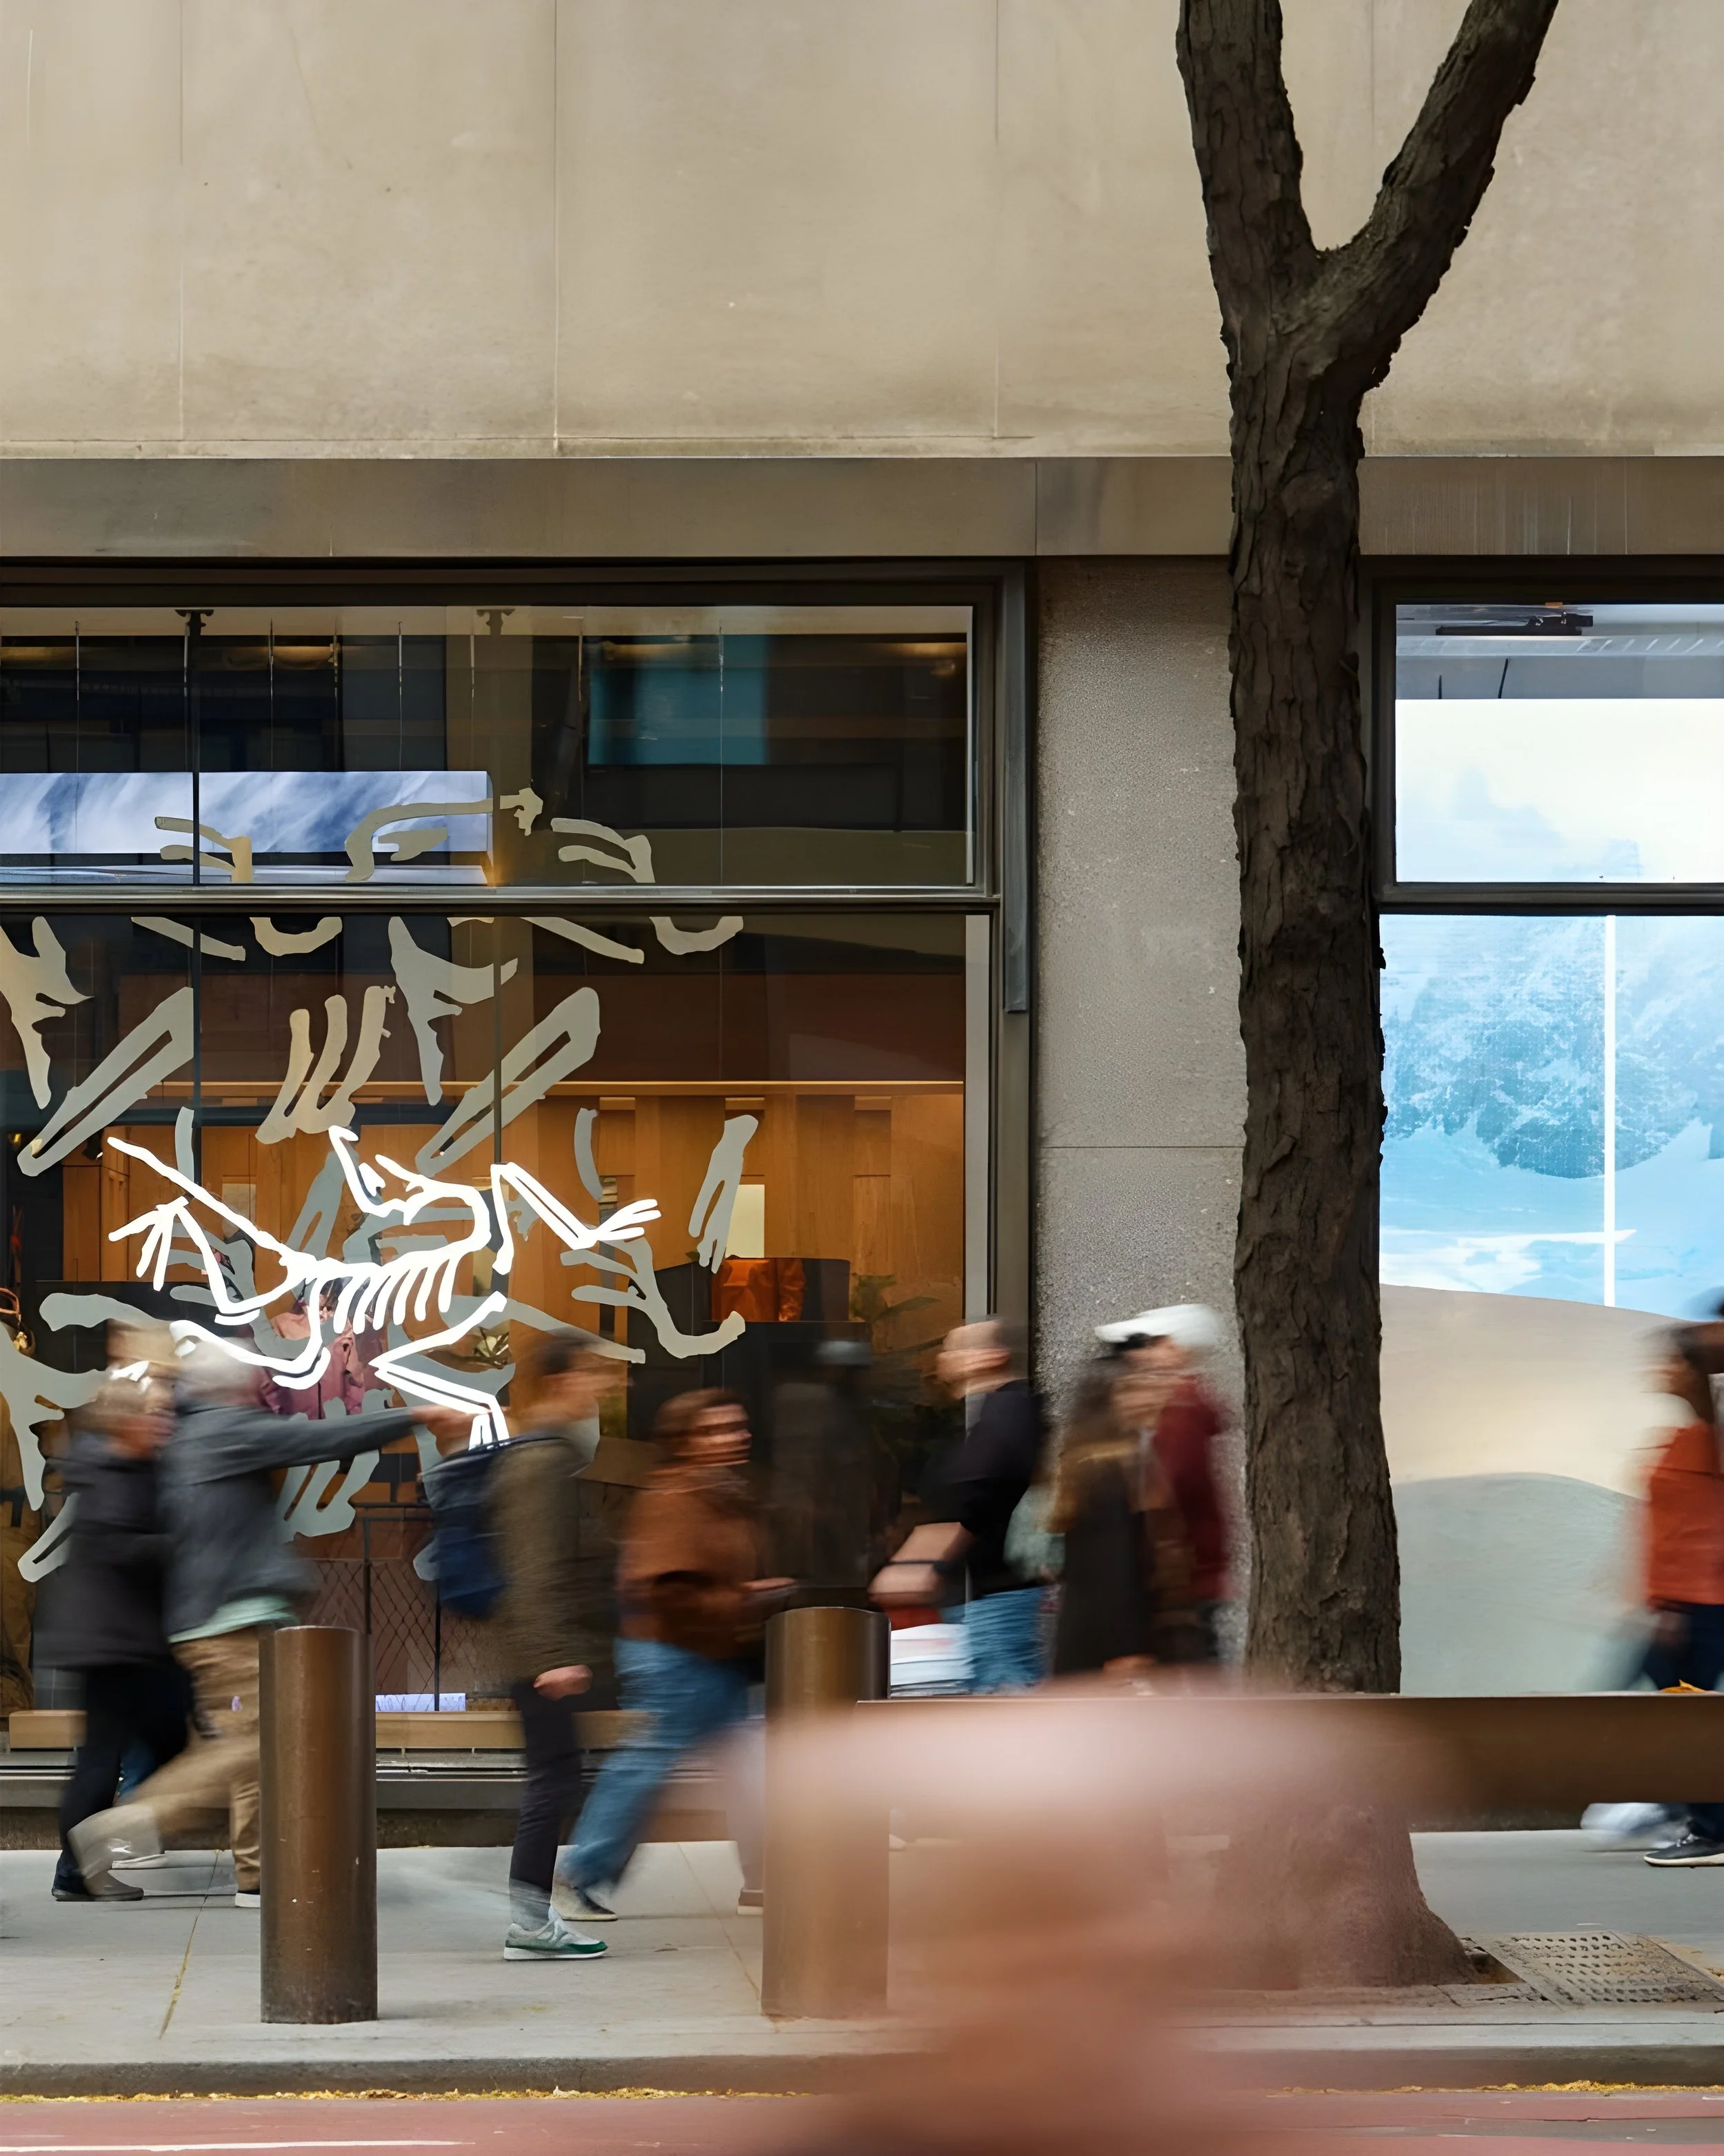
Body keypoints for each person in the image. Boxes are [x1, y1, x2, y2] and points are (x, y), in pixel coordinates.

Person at [70, 1341, 465, 1904]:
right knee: (254, 1746)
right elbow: (316, 1440)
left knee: (256, 1747)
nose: (265, 1385)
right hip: (228, 1619)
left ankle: (256, 1875)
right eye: (257, 1377)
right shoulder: (225, 1426)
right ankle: (128, 1824)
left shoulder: (194, 1434)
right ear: (233, 1383)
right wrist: (414, 1415)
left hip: (222, 1616)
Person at [555, 1388, 781, 1918]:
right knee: (651, 1762)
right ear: (685, 1443)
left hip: (713, 1654)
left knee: (747, 1767)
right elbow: (665, 1586)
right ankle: (585, 1868)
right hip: (676, 1655)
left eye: (738, 1426)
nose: (734, 1436)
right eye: (717, 1429)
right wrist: (748, 1598)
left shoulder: (721, 1494)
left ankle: (766, 1878)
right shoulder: (676, 1498)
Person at [37, 1330, 190, 1902]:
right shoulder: (110, 1475)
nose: (162, 1424)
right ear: (126, 1426)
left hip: (124, 1641)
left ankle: (89, 1860)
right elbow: (121, 1549)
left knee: (136, 1751)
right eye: (151, 1417)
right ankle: (79, 1867)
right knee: (109, 1760)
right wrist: (178, 1543)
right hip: (115, 1644)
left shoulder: (129, 1468)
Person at [485, 1335, 622, 1962]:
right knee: (553, 1779)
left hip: (543, 1649)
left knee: (557, 1776)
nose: (604, 1385)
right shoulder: (541, 1463)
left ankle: (532, 1919)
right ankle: (530, 1923)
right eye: (594, 1373)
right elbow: (534, 1569)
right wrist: (550, 1656)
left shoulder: (546, 1455)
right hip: (539, 1654)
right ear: (562, 1382)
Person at [1096, 1305, 1232, 1662]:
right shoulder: (1180, 1407)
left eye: (1149, 1343)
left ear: (1175, 1349)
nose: (1138, 1355)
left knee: (1189, 1682)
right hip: (1183, 1576)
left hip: (1179, 1579)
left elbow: (1166, 1487)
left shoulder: (1180, 1411)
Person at [1050, 1361, 1197, 1679]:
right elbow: (1115, 1562)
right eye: (1132, 1389)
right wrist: (1128, 1646)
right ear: (1108, 1401)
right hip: (1115, 1644)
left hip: (1092, 1635)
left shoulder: (1090, 1461)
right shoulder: (1111, 1468)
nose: (1146, 1396)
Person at [1637, 1332, 1724, 1867]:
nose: (1660, 1369)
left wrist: (1677, 1605)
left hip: (1700, 1604)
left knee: (1687, 1710)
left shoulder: (1712, 1440)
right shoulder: (1686, 1437)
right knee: (1677, 1702)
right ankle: (1689, 1808)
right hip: (1682, 1602)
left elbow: (1707, 1530)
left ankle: (1710, 1826)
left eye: (1672, 1361)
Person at [932, 1319, 1047, 1693]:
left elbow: (980, 1493)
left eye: (954, 1349)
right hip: (996, 1594)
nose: (943, 1360)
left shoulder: (1007, 1411)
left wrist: (936, 1557)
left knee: (1005, 1702)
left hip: (1002, 1595)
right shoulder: (1000, 1411)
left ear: (991, 1357)